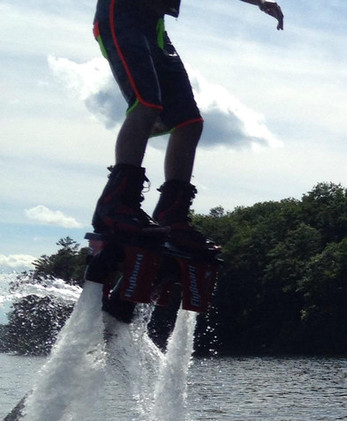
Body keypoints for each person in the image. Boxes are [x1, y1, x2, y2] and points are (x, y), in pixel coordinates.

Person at [91, 0, 284, 255]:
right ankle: (116, 205)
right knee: (147, 104)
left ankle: (173, 216)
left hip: (153, 27)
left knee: (189, 123)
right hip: (120, 15)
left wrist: (259, 2)